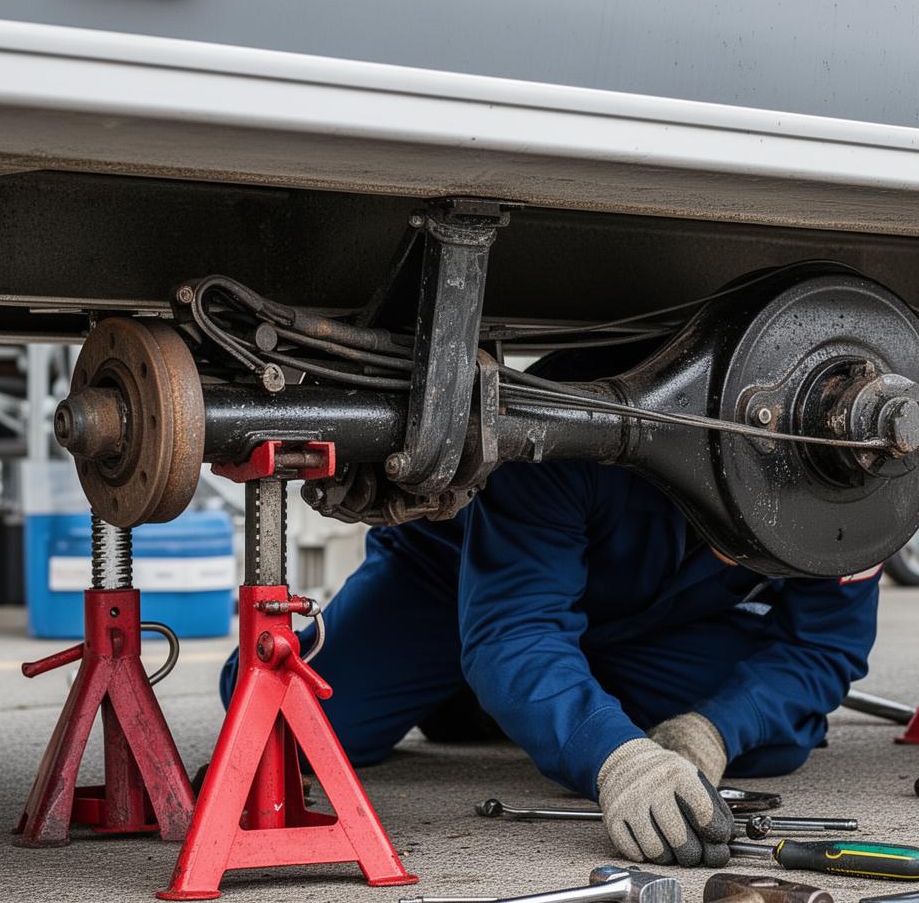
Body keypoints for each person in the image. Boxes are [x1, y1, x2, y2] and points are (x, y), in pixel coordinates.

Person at [218, 355, 880, 867]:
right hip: (463, 577)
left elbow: (824, 646)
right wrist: (618, 762)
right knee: (299, 718)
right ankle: (498, 691)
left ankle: (518, 699)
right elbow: (515, 628)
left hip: (641, 621)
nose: (756, 568)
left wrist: (712, 730)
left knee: (778, 736)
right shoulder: (577, 424)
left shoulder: (858, 489)